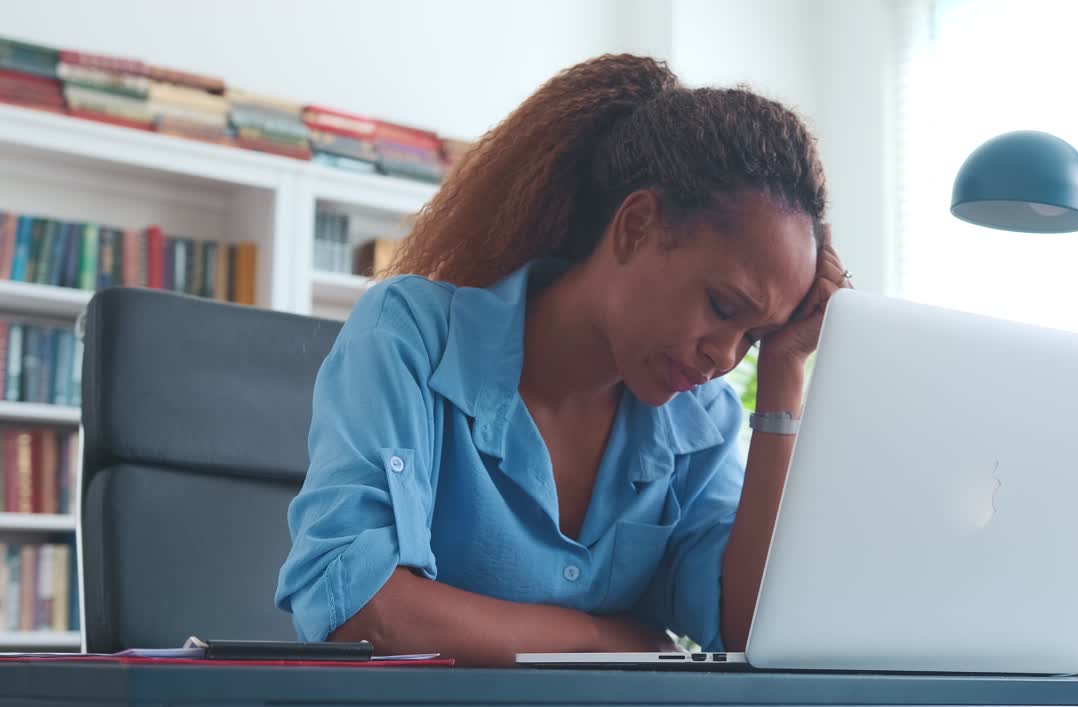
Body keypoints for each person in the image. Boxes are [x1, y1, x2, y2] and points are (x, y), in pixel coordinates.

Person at [274, 54, 852, 667]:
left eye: (754, 337)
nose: (726, 356)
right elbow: (361, 609)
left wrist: (785, 371)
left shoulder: (701, 422)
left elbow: (753, 637)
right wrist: (596, 640)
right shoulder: (412, 336)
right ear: (636, 227)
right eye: (722, 306)